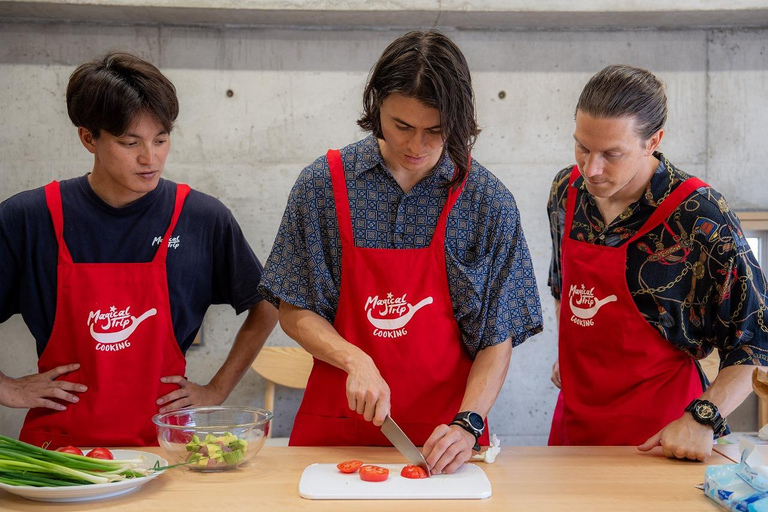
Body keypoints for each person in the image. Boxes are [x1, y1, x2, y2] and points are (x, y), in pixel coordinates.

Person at [259, 30, 542, 475]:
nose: (416, 146)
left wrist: (469, 422)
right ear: (376, 108)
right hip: (336, 434)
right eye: (402, 126)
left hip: (446, 441)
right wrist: (355, 358)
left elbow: (498, 335)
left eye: (436, 131)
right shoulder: (323, 187)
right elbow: (293, 309)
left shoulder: (486, 202)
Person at [0, 51, 277, 447]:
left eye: (161, 139)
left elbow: (267, 304)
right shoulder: (28, 218)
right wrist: (7, 388)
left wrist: (216, 391)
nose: (151, 159)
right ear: (88, 137)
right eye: (130, 143)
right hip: (60, 450)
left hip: (167, 443)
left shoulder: (201, 217)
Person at [547, 64, 768, 460]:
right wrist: (570, 354)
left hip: (665, 435)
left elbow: (755, 339)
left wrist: (703, 418)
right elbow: (564, 285)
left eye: (612, 154)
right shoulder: (567, 191)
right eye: (582, 146)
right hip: (575, 427)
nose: (591, 169)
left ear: (653, 141)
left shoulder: (699, 215)